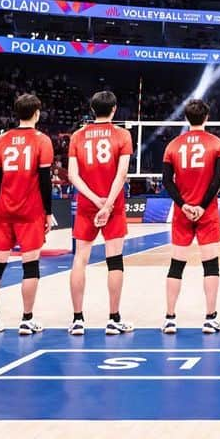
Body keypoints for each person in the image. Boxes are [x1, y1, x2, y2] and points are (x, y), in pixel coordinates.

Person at [0, 94, 56, 336]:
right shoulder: (42, 140)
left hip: (4, 210)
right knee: (30, 266)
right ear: (36, 113)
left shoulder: (2, 140)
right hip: (30, 210)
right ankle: (26, 319)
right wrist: (49, 212)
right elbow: (45, 181)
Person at [66, 90, 134, 336]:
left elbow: (73, 175)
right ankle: (113, 319)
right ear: (114, 109)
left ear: (93, 109)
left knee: (80, 259)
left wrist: (94, 200)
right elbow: (122, 174)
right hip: (113, 205)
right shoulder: (123, 135)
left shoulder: (77, 136)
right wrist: (106, 205)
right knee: (114, 260)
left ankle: (77, 319)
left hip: (86, 204)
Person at [161, 99, 220, 334]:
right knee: (211, 266)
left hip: (183, 213)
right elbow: (217, 180)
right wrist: (201, 206)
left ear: (186, 118)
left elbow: (167, 181)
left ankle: (169, 318)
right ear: (206, 117)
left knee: (176, 266)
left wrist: (184, 205)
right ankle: (210, 318)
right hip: (206, 212)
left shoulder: (173, 146)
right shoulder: (218, 144)